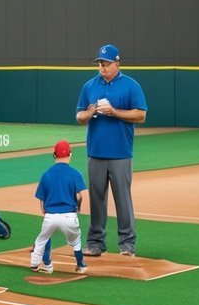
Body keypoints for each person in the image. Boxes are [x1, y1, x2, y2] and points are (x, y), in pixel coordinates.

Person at [76, 43, 147, 256]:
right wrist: (89, 114)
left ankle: (127, 245)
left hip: (121, 153)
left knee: (122, 199)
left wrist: (114, 111)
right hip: (95, 153)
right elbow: (79, 116)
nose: (102, 67)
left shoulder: (131, 85)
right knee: (96, 199)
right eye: (100, 63)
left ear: (117, 63)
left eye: (106, 63)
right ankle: (96, 243)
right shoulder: (89, 86)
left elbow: (141, 115)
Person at [31, 140, 90, 275]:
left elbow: (42, 199)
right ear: (70, 154)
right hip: (69, 216)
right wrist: (78, 206)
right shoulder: (75, 173)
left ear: (54, 155)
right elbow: (83, 195)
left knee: (43, 238)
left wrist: (45, 213)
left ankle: (41, 264)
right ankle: (81, 265)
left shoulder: (46, 174)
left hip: (50, 216)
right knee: (76, 241)